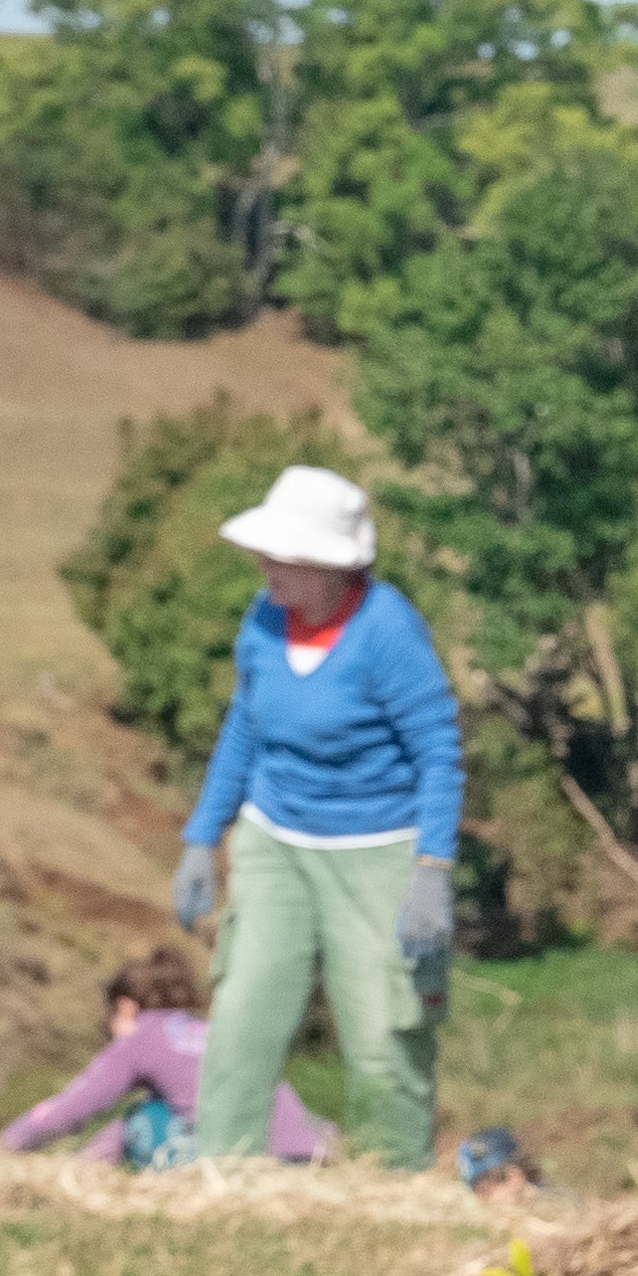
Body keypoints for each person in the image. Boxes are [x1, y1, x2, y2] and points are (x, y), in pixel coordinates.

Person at [167, 464, 463, 1171]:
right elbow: (245, 725)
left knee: (385, 1031)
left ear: (334, 568)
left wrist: (432, 867)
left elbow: (440, 751)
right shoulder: (263, 620)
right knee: (242, 1014)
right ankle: (223, 1172)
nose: (267, 567)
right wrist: (202, 836)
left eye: (286, 558)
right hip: (276, 841)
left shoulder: (387, 632)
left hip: (379, 850)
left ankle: (392, 1184)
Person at [0, 940, 333, 1168]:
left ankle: (79, 1173)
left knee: (141, 1118)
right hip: (301, 1152)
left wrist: (2, 1148)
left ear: (125, 1009)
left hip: (242, 1161)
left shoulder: (141, 1036)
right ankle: (81, 1171)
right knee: (159, 1107)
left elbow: (70, 1109)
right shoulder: (211, 1032)